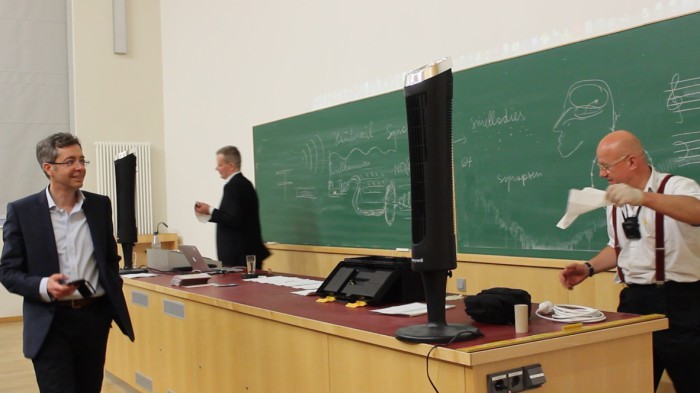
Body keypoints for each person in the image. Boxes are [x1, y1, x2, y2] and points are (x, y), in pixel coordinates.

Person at [560, 130, 700, 393]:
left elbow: (697, 211)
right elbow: (619, 246)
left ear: (632, 161)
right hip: (634, 302)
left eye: (606, 166)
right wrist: (588, 268)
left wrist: (643, 198)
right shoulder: (614, 201)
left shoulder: (678, 187)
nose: (602, 174)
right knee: (631, 381)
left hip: (680, 302)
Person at [0, 132, 135, 393]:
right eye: (70, 161)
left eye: (82, 160)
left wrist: (108, 292)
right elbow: (7, 271)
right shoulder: (23, 211)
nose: (80, 167)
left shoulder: (99, 206)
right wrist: (43, 285)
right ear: (48, 168)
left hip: (93, 320)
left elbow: (110, 258)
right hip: (50, 322)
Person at [194, 145, 270, 268]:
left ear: (231, 165)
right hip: (245, 254)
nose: (216, 168)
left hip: (238, 257)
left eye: (220, 165)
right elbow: (236, 216)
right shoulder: (244, 184)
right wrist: (210, 213)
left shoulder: (233, 186)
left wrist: (209, 210)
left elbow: (233, 219)